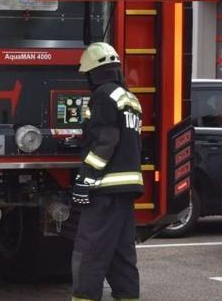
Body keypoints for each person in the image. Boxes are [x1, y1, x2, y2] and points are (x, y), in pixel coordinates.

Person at [71, 42, 143, 301]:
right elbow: (125, 141)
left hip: (105, 190)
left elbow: (106, 140)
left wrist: (85, 179)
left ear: (94, 72)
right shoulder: (129, 98)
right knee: (121, 255)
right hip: (126, 191)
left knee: (89, 252)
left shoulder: (102, 95)